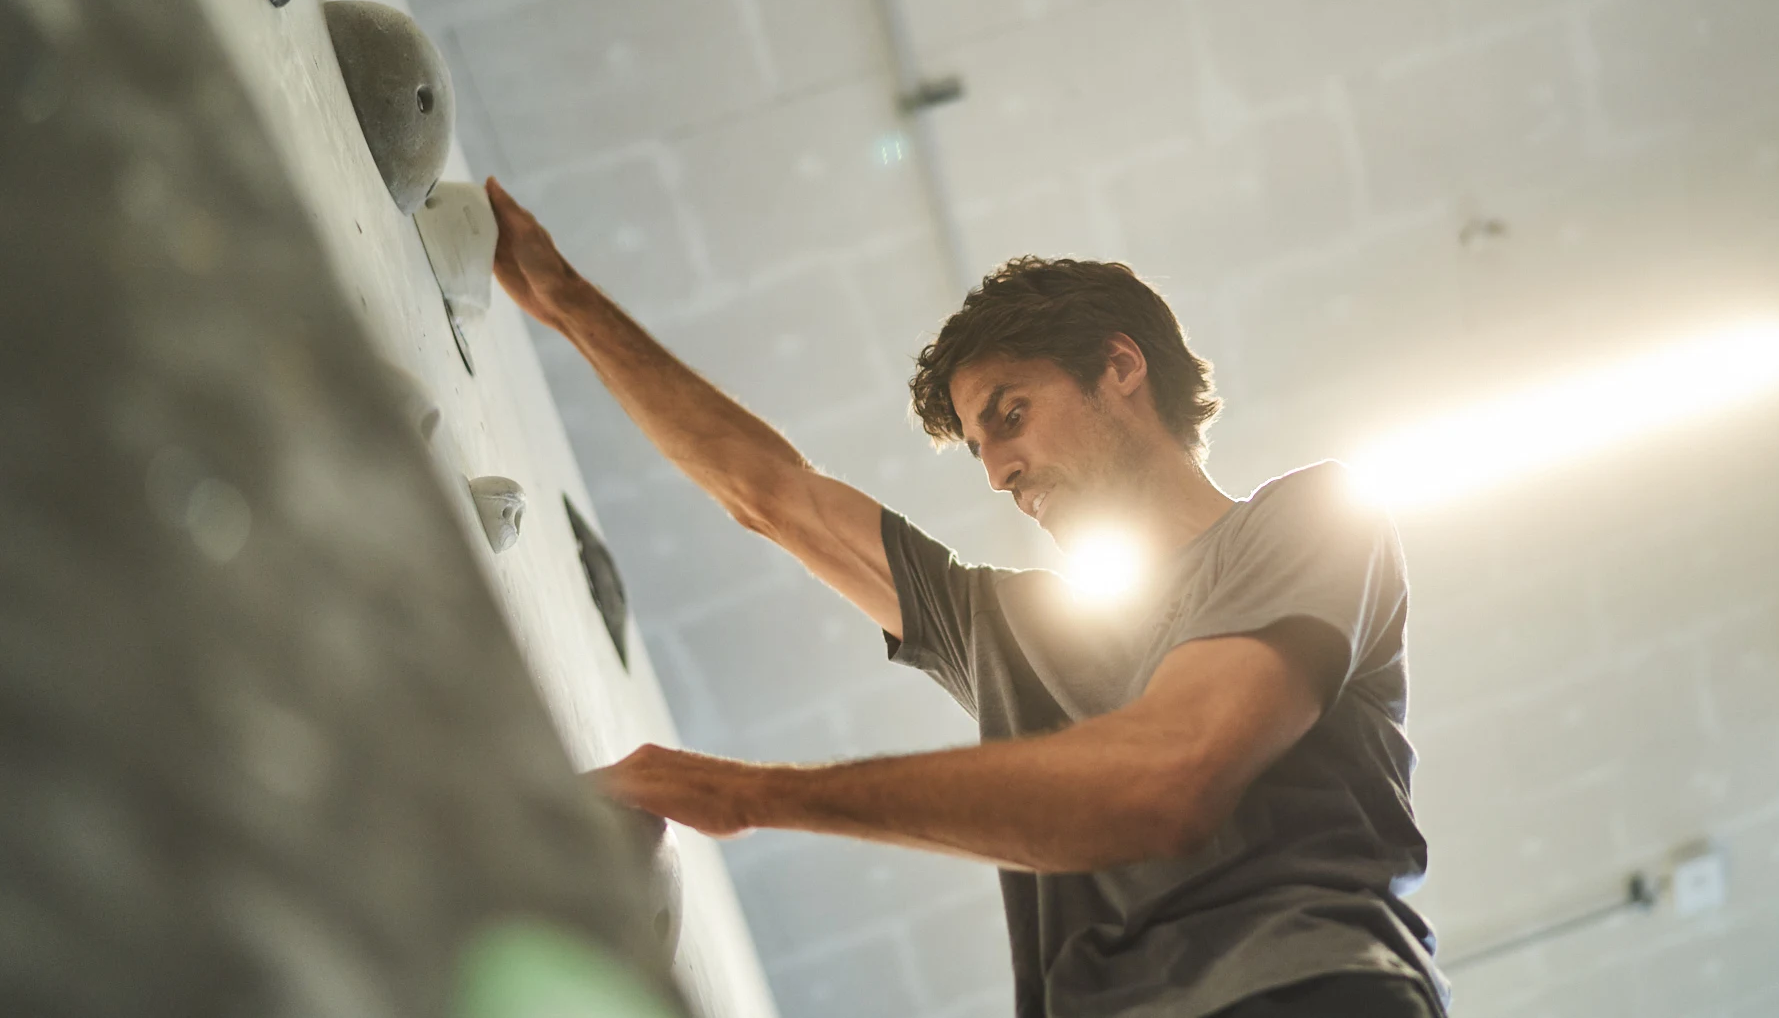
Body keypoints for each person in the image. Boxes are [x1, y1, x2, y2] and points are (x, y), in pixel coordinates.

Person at [485, 178, 1449, 1018]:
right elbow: (774, 495)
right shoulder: (1013, 632)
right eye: (980, 448)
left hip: (1303, 993)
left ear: (1121, 367)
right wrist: (568, 304)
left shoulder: (1314, 518)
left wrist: (746, 794)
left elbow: (1172, 776)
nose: (998, 473)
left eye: (1011, 416)